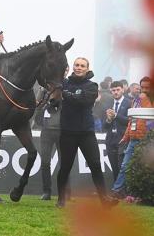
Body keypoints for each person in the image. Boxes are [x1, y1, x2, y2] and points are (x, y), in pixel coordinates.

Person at [56, 57, 118, 208]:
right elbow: (62, 97)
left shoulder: (92, 86)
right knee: (65, 167)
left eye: (82, 66)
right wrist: (68, 94)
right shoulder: (63, 83)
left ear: (87, 69)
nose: (78, 67)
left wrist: (67, 95)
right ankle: (61, 200)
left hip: (86, 133)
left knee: (96, 165)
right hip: (68, 132)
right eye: (76, 65)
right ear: (73, 67)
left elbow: (84, 100)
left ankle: (105, 199)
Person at [111, 76, 154, 198]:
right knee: (125, 165)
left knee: (146, 167)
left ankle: (143, 194)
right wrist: (126, 136)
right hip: (134, 138)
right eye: (142, 87)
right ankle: (117, 190)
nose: (144, 90)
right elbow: (131, 120)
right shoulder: (135, 100)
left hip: (148, 139)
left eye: (147, 87)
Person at [34, 66, 71, 200]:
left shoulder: (68, 86)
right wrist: (44, 105)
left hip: (63, 130)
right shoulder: (44, 88)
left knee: (65, 162)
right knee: (45, 162)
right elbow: (37, 106)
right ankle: (46, 192)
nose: (63, 72)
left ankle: (66, 192)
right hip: (47, 130)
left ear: (67, 71)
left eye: (65, 70)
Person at [103, 81, 131, 181]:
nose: (115, 92)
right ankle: (117, 193)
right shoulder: (108, 103)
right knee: (114, 168)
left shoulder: (129, 102)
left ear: (123, 90)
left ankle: (124, 192)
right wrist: (108, 120)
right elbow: (104, 126)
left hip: (123, 139)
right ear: (111, 91)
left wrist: (116, 116)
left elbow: (130, 121)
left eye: (118, 90)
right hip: (110, 140)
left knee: (122, 168)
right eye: (113, 90)